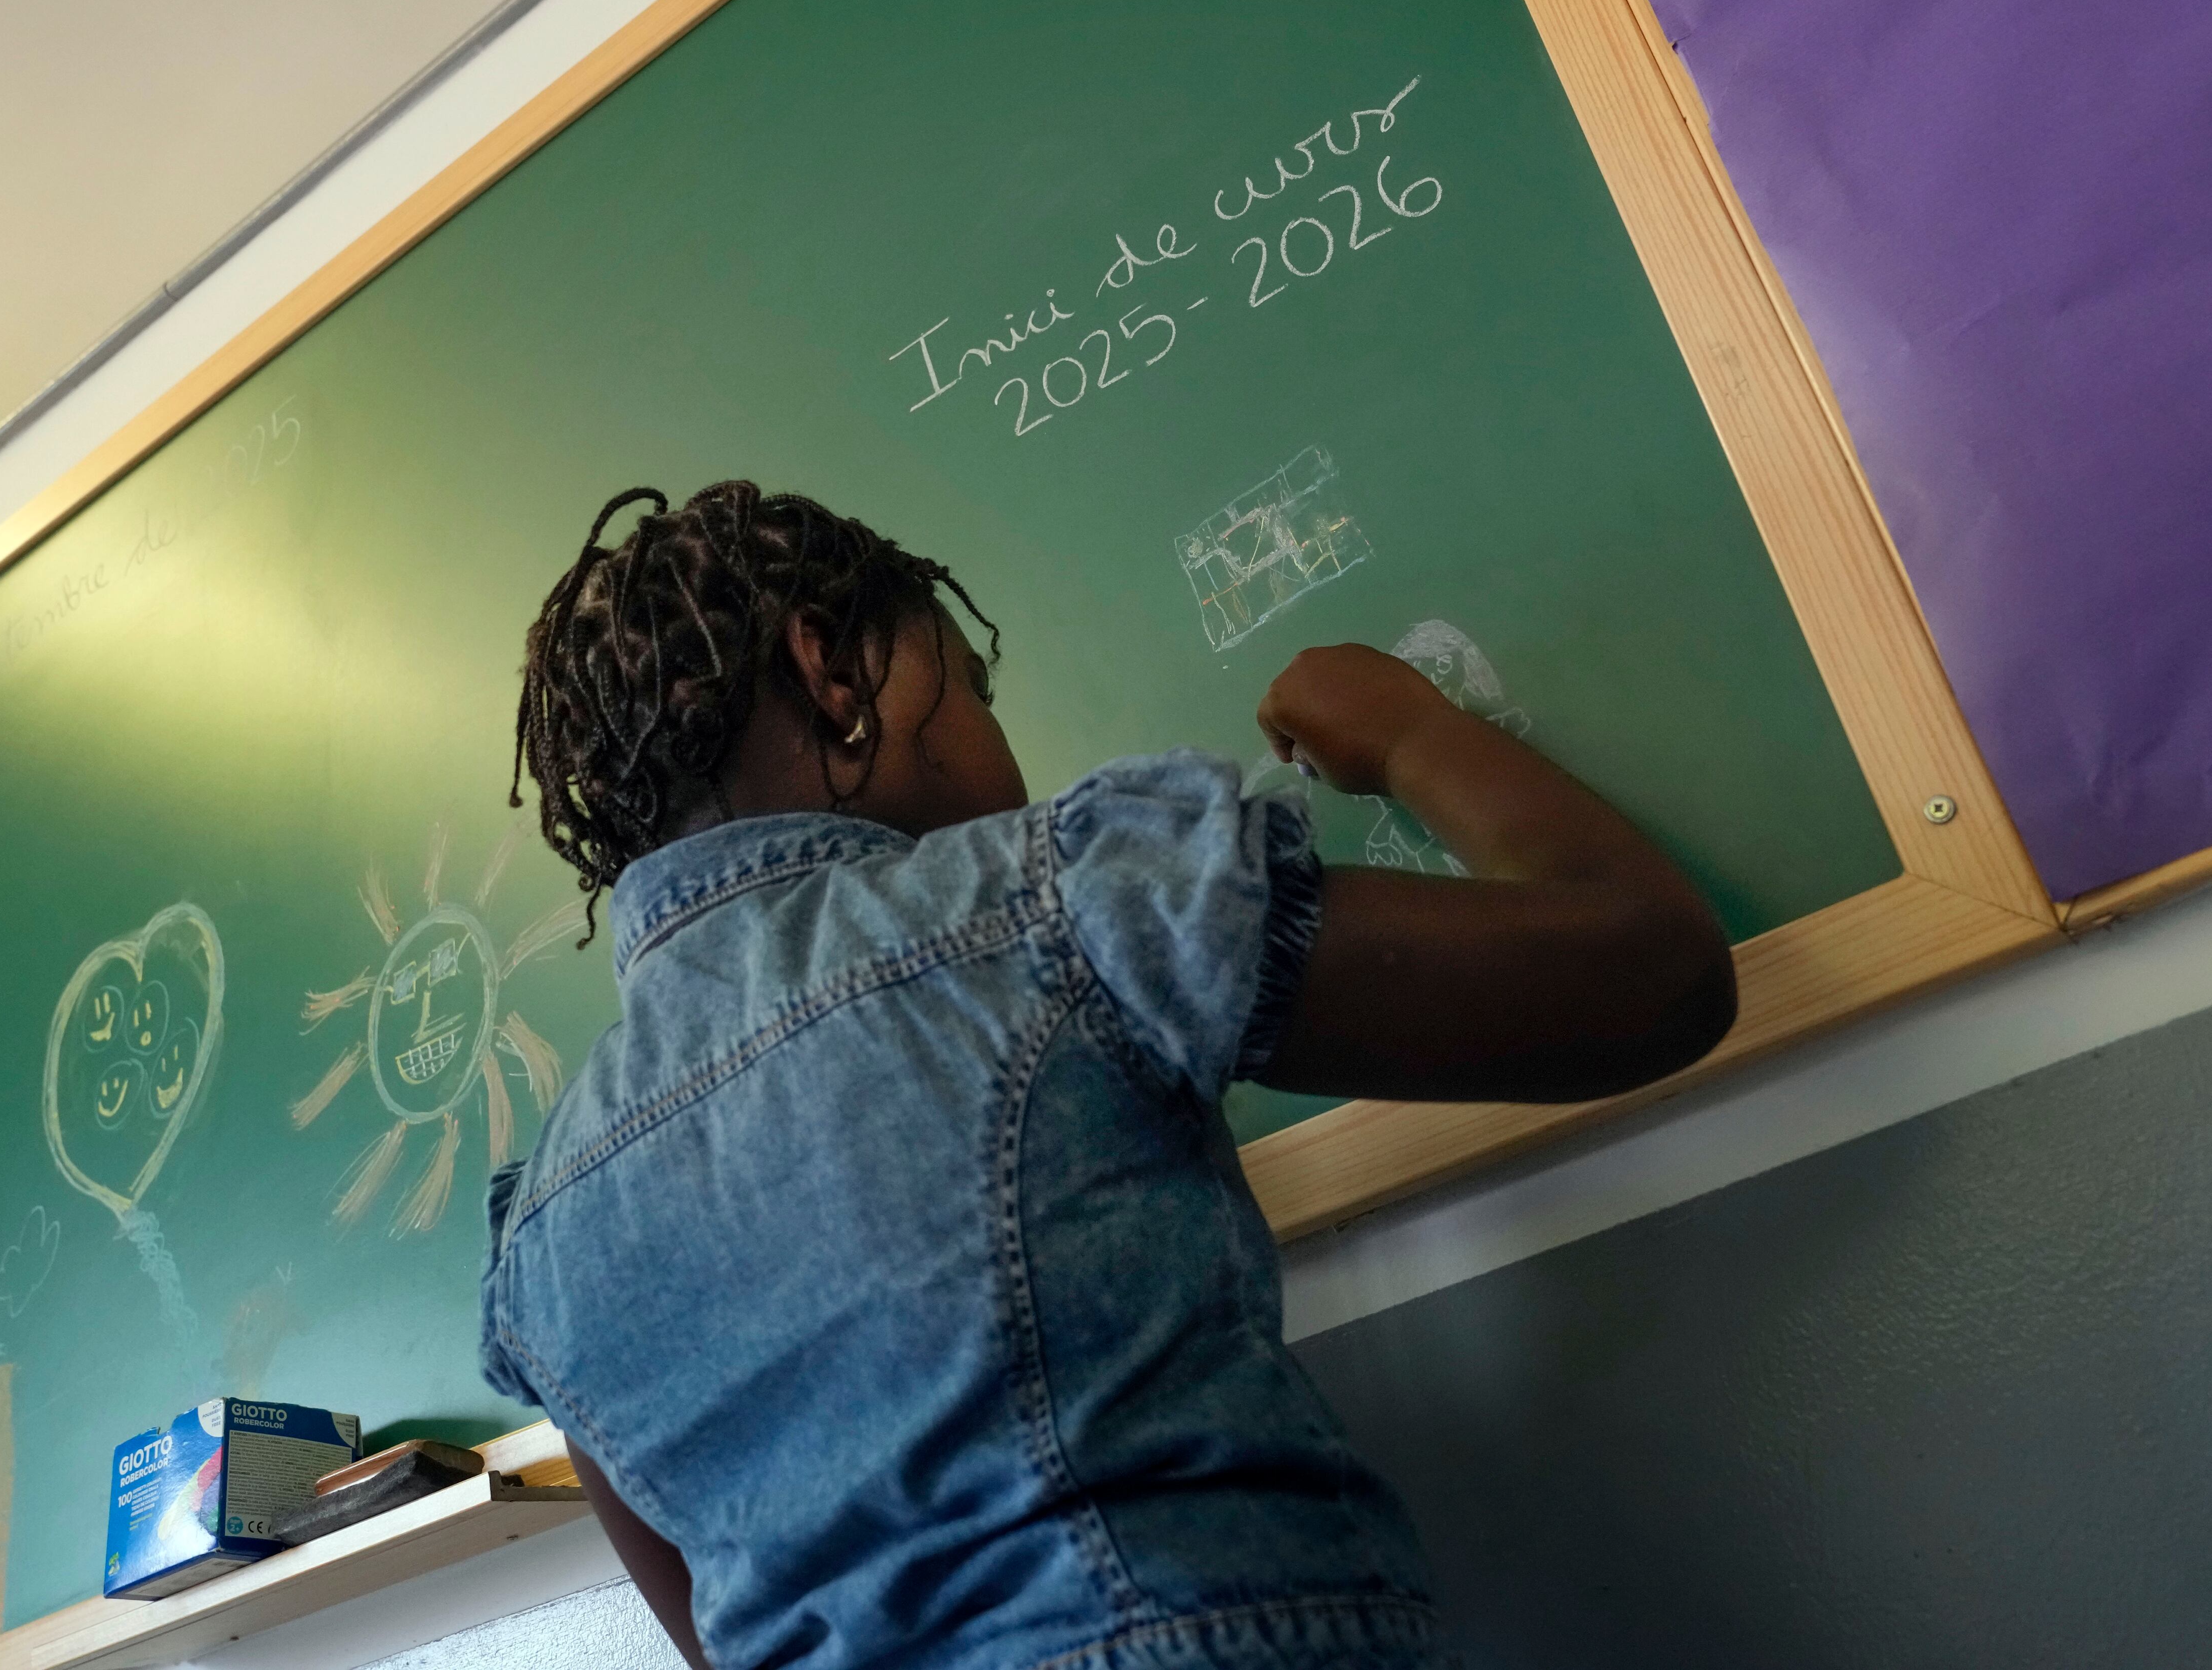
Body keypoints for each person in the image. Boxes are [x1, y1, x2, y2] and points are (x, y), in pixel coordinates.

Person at [481, 481, 1736, 1669]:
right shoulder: (1048, 902)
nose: (991, 729)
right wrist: (1411, 730)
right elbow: (1652, 972)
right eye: (967, 686)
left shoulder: (541, 1229)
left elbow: (721, 1636)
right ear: (835, 673)